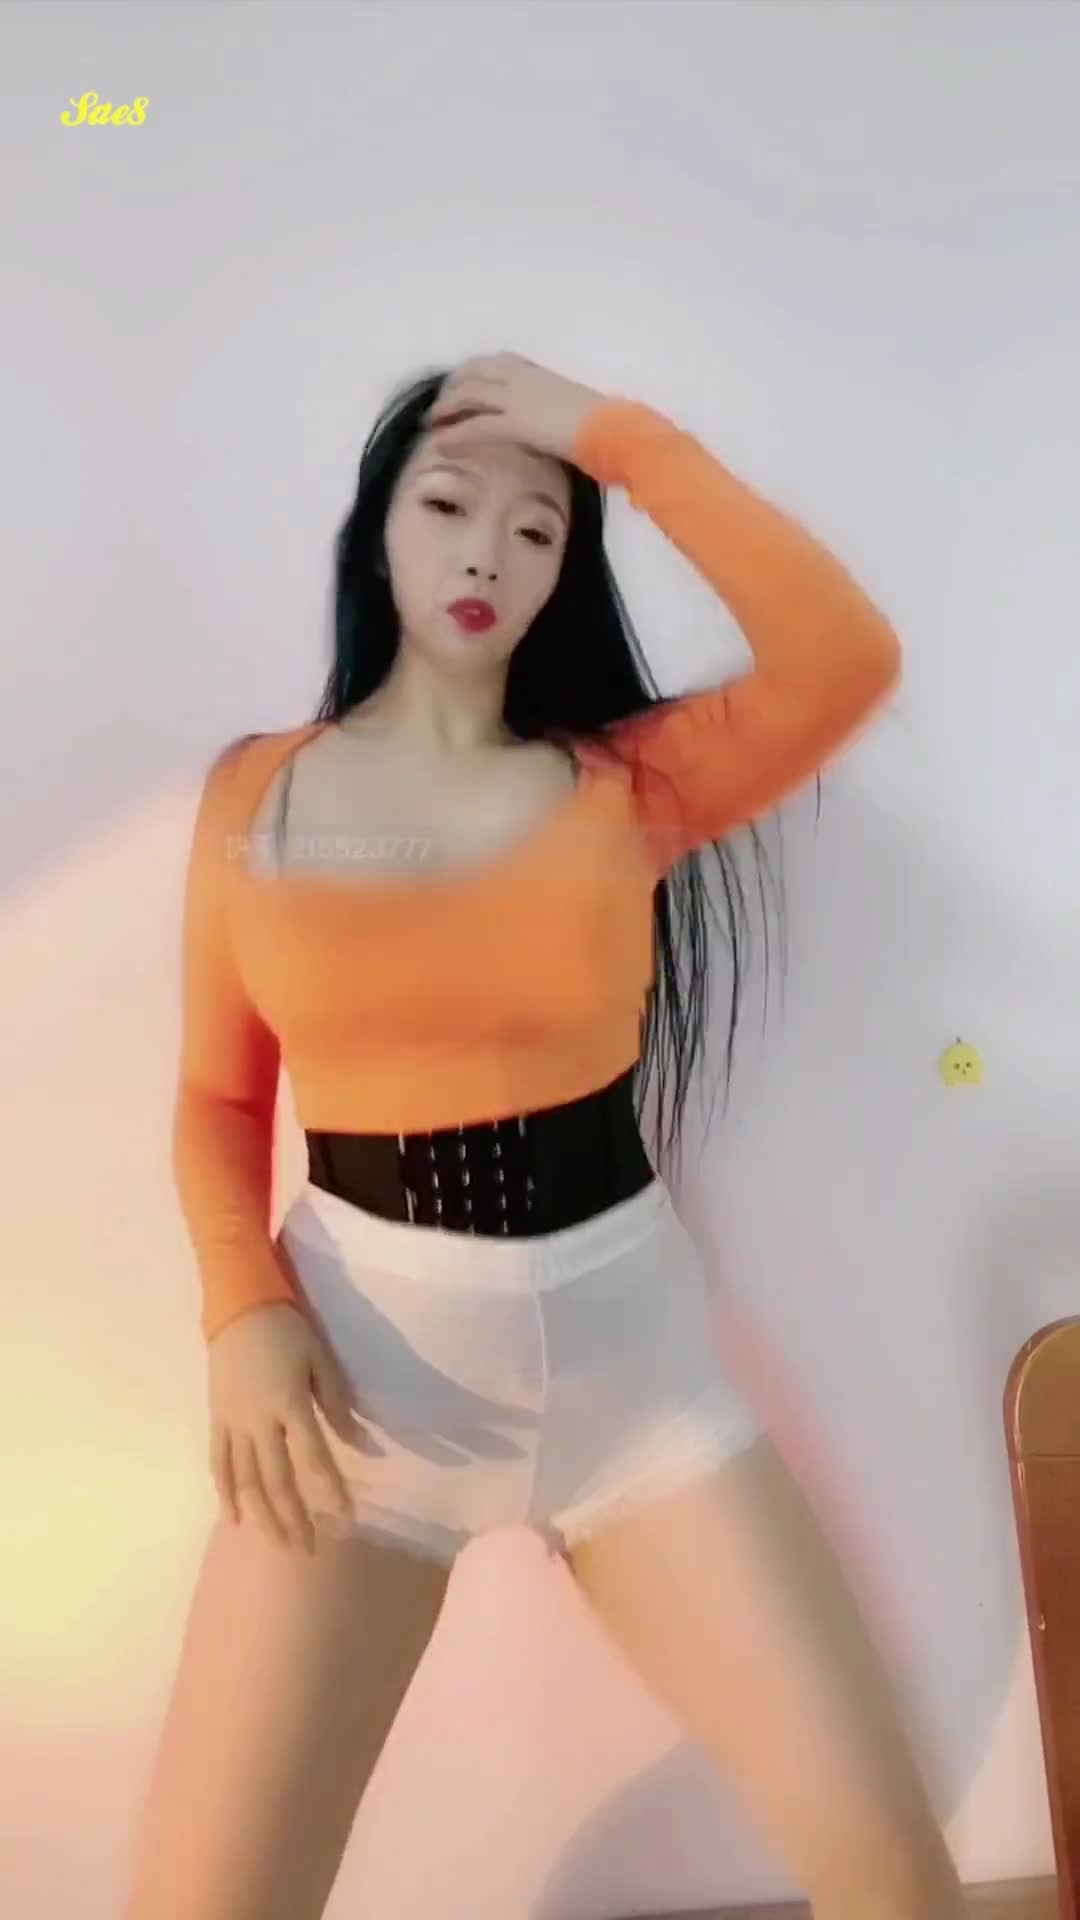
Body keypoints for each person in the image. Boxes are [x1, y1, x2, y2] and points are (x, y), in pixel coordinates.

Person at [123, 352, 963, 1920]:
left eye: (537, 528)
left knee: (897, 1878)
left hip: (637, 1384)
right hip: (360, 1396)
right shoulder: (257, 798)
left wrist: (615, 439)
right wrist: (241, 1309)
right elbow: (217, 1098)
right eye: (448, 506)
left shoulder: (629, 785)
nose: (487, 555)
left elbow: (846, 656)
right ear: (378, 528)